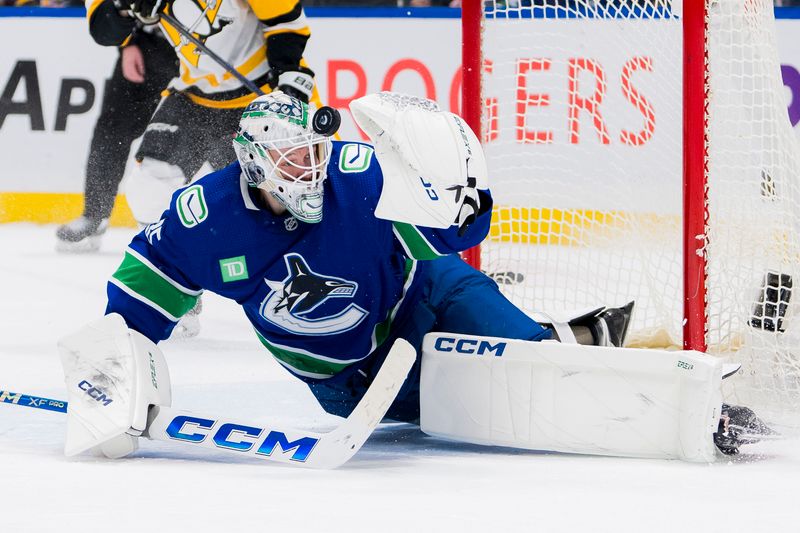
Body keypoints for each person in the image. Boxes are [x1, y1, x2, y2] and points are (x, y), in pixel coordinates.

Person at [59, 92, 772, 460]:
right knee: (490, 410)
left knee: (530, 368)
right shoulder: (202, 218)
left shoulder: (357, 174)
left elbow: (453, 231)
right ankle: (578, 337)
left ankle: (692, 410)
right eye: (292, 161)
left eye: (315, 152)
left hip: (425, 295)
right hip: (351, 383)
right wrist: (115, 380)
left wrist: (463, 194)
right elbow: (136, 300)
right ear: (252, 159)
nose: (311, 169)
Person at [85, 0, 320, 227]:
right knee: (149, 189)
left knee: (294, 188)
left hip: (261, 93)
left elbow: (286, 23)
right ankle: (165, 261)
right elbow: (103, 29)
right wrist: (124, 7)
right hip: (194, 92)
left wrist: (288, 75)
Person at [56, 27, 177, 252]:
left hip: (208, 51)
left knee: (207, 137)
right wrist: (128, 42)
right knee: (112, 131)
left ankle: (218, 223)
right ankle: (95, 215)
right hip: (150, 44)